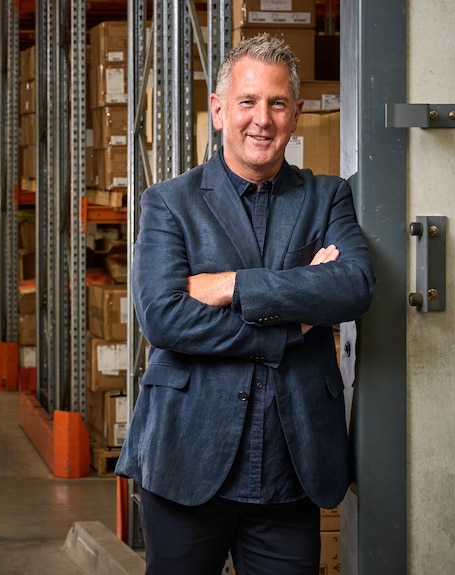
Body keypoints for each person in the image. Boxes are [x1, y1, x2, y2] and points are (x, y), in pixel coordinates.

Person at [115, 33, 375, 574]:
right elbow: (163, 318)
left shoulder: (328, 197)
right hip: (187, 457)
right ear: (218, 111)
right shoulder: (169, 203)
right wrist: (294, 315)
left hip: (290, 466)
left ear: (296, 114)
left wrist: (230, 284)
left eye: (278, 103)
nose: (263, 119)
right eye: (247, 102)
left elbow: (353, 286)